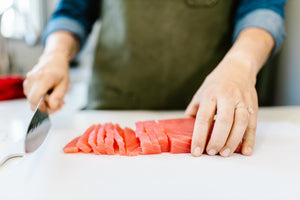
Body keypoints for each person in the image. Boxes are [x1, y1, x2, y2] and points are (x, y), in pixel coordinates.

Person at [23, 0, 286, 157]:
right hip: (112, 101)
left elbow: (263, 7)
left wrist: (241, 63)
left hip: (212, 110)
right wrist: (54, 55)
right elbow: (72, 10)